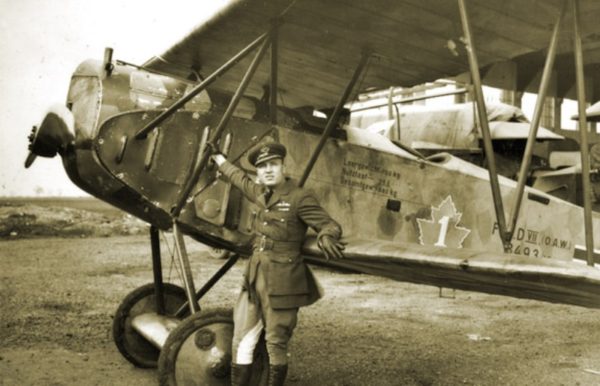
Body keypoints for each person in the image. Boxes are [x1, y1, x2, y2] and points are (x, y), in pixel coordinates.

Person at [211, 142, 345, 386]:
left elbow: (330, 224)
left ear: (283, 166)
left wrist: (326, 235)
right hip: (254, 277)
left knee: (275, 342)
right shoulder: (260, 193)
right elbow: (239, 178)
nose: (268, 170)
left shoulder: (299, 197)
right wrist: (219, 160)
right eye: (262, 167)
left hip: (283, 279)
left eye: (273, 164)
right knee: (241, 339)